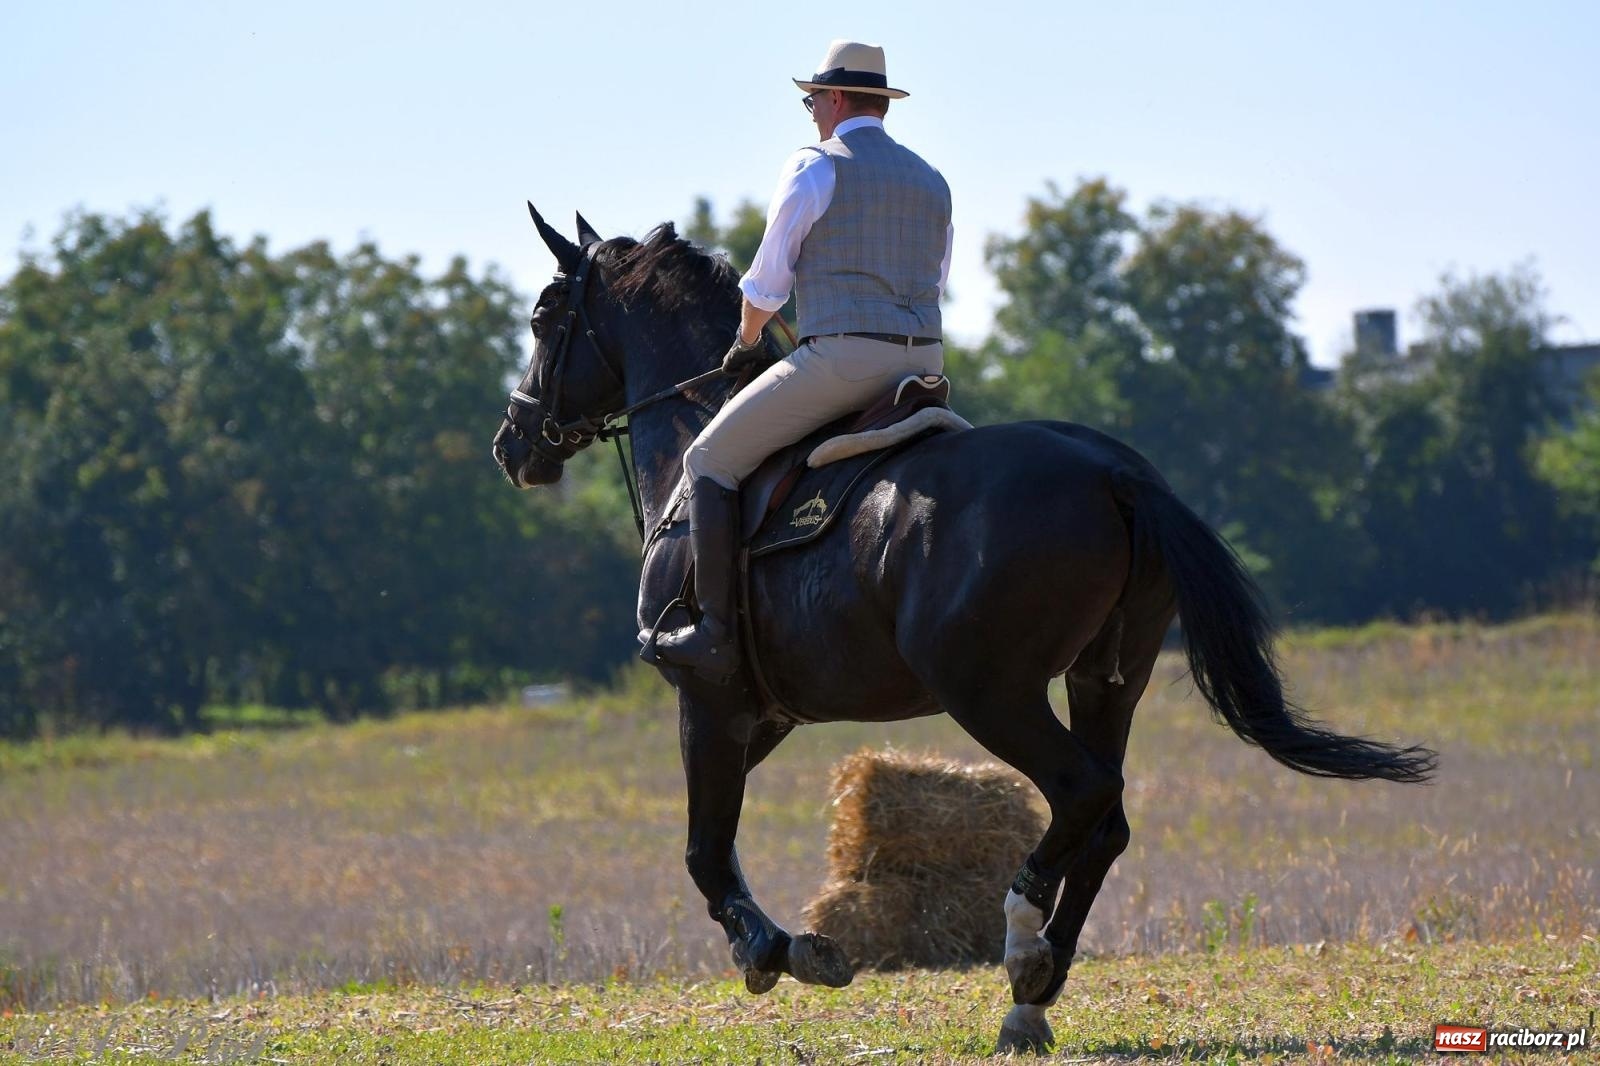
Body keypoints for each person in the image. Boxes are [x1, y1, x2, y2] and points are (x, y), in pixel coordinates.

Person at [650, 39, 954, 681]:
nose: (811, 110)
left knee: (708, 459)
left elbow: (765, 284)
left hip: (843, 364)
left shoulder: (815, 165)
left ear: (837, 98)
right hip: (924, 362)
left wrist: (745, 340)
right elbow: (937, 277)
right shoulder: (933, 180)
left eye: (812, 99)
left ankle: (713, 630)